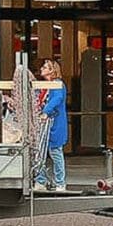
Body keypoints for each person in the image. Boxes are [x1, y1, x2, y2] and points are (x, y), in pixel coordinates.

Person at [35, 56, 69, 192]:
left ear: (52, 70)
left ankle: (60, 182)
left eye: (44, 67)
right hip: (43, 125)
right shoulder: (44, 86)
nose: (41, 69)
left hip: (55, 124)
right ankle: (40, 180)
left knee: (55, 152)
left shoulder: (57, 84)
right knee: (40, 153)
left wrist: (45, 112)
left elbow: (57, 99)